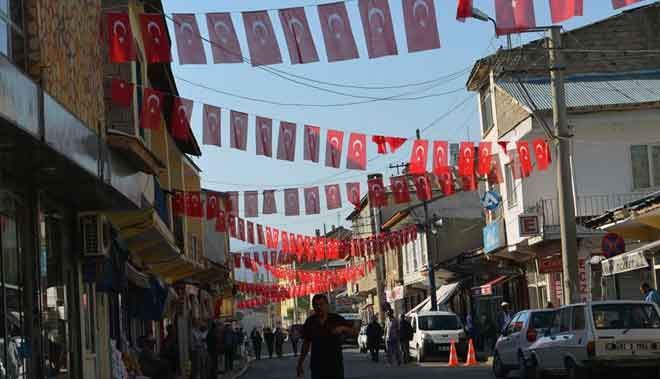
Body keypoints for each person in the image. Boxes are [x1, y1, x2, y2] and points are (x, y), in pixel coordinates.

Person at [297, 294, 356, 379]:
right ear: (313, 307)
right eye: (316, 305)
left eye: (321, 304)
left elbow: (354, 332)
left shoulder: (336, 319)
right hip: (317, 367)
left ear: (327, 305)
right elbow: (306, 343)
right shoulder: (310, 322)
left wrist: (343, 328)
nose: (319, 307)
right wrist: (300, 363)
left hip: (335, 366)